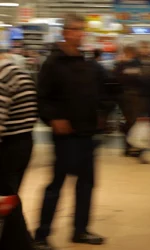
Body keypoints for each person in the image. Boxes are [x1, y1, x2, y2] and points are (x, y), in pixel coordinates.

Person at [34, 13, 107, 249]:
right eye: (75, 29)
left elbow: (94, 93)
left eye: (82, 29)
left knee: (86, 185)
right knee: (56, 185)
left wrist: (99, 113)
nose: (80, 33)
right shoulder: (53, 62)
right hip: (66, 137)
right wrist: (53, 118)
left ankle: (80, 230)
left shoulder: (83, 61)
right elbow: (42, 98)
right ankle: (41, 236)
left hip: (86, 133)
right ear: (65, 32)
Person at [0, 52, 38, 250]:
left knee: (6, 196)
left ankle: (21, 244)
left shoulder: (3, 74)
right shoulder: (19, 72)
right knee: (8, 195)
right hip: (23, 141)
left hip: (9, 145)